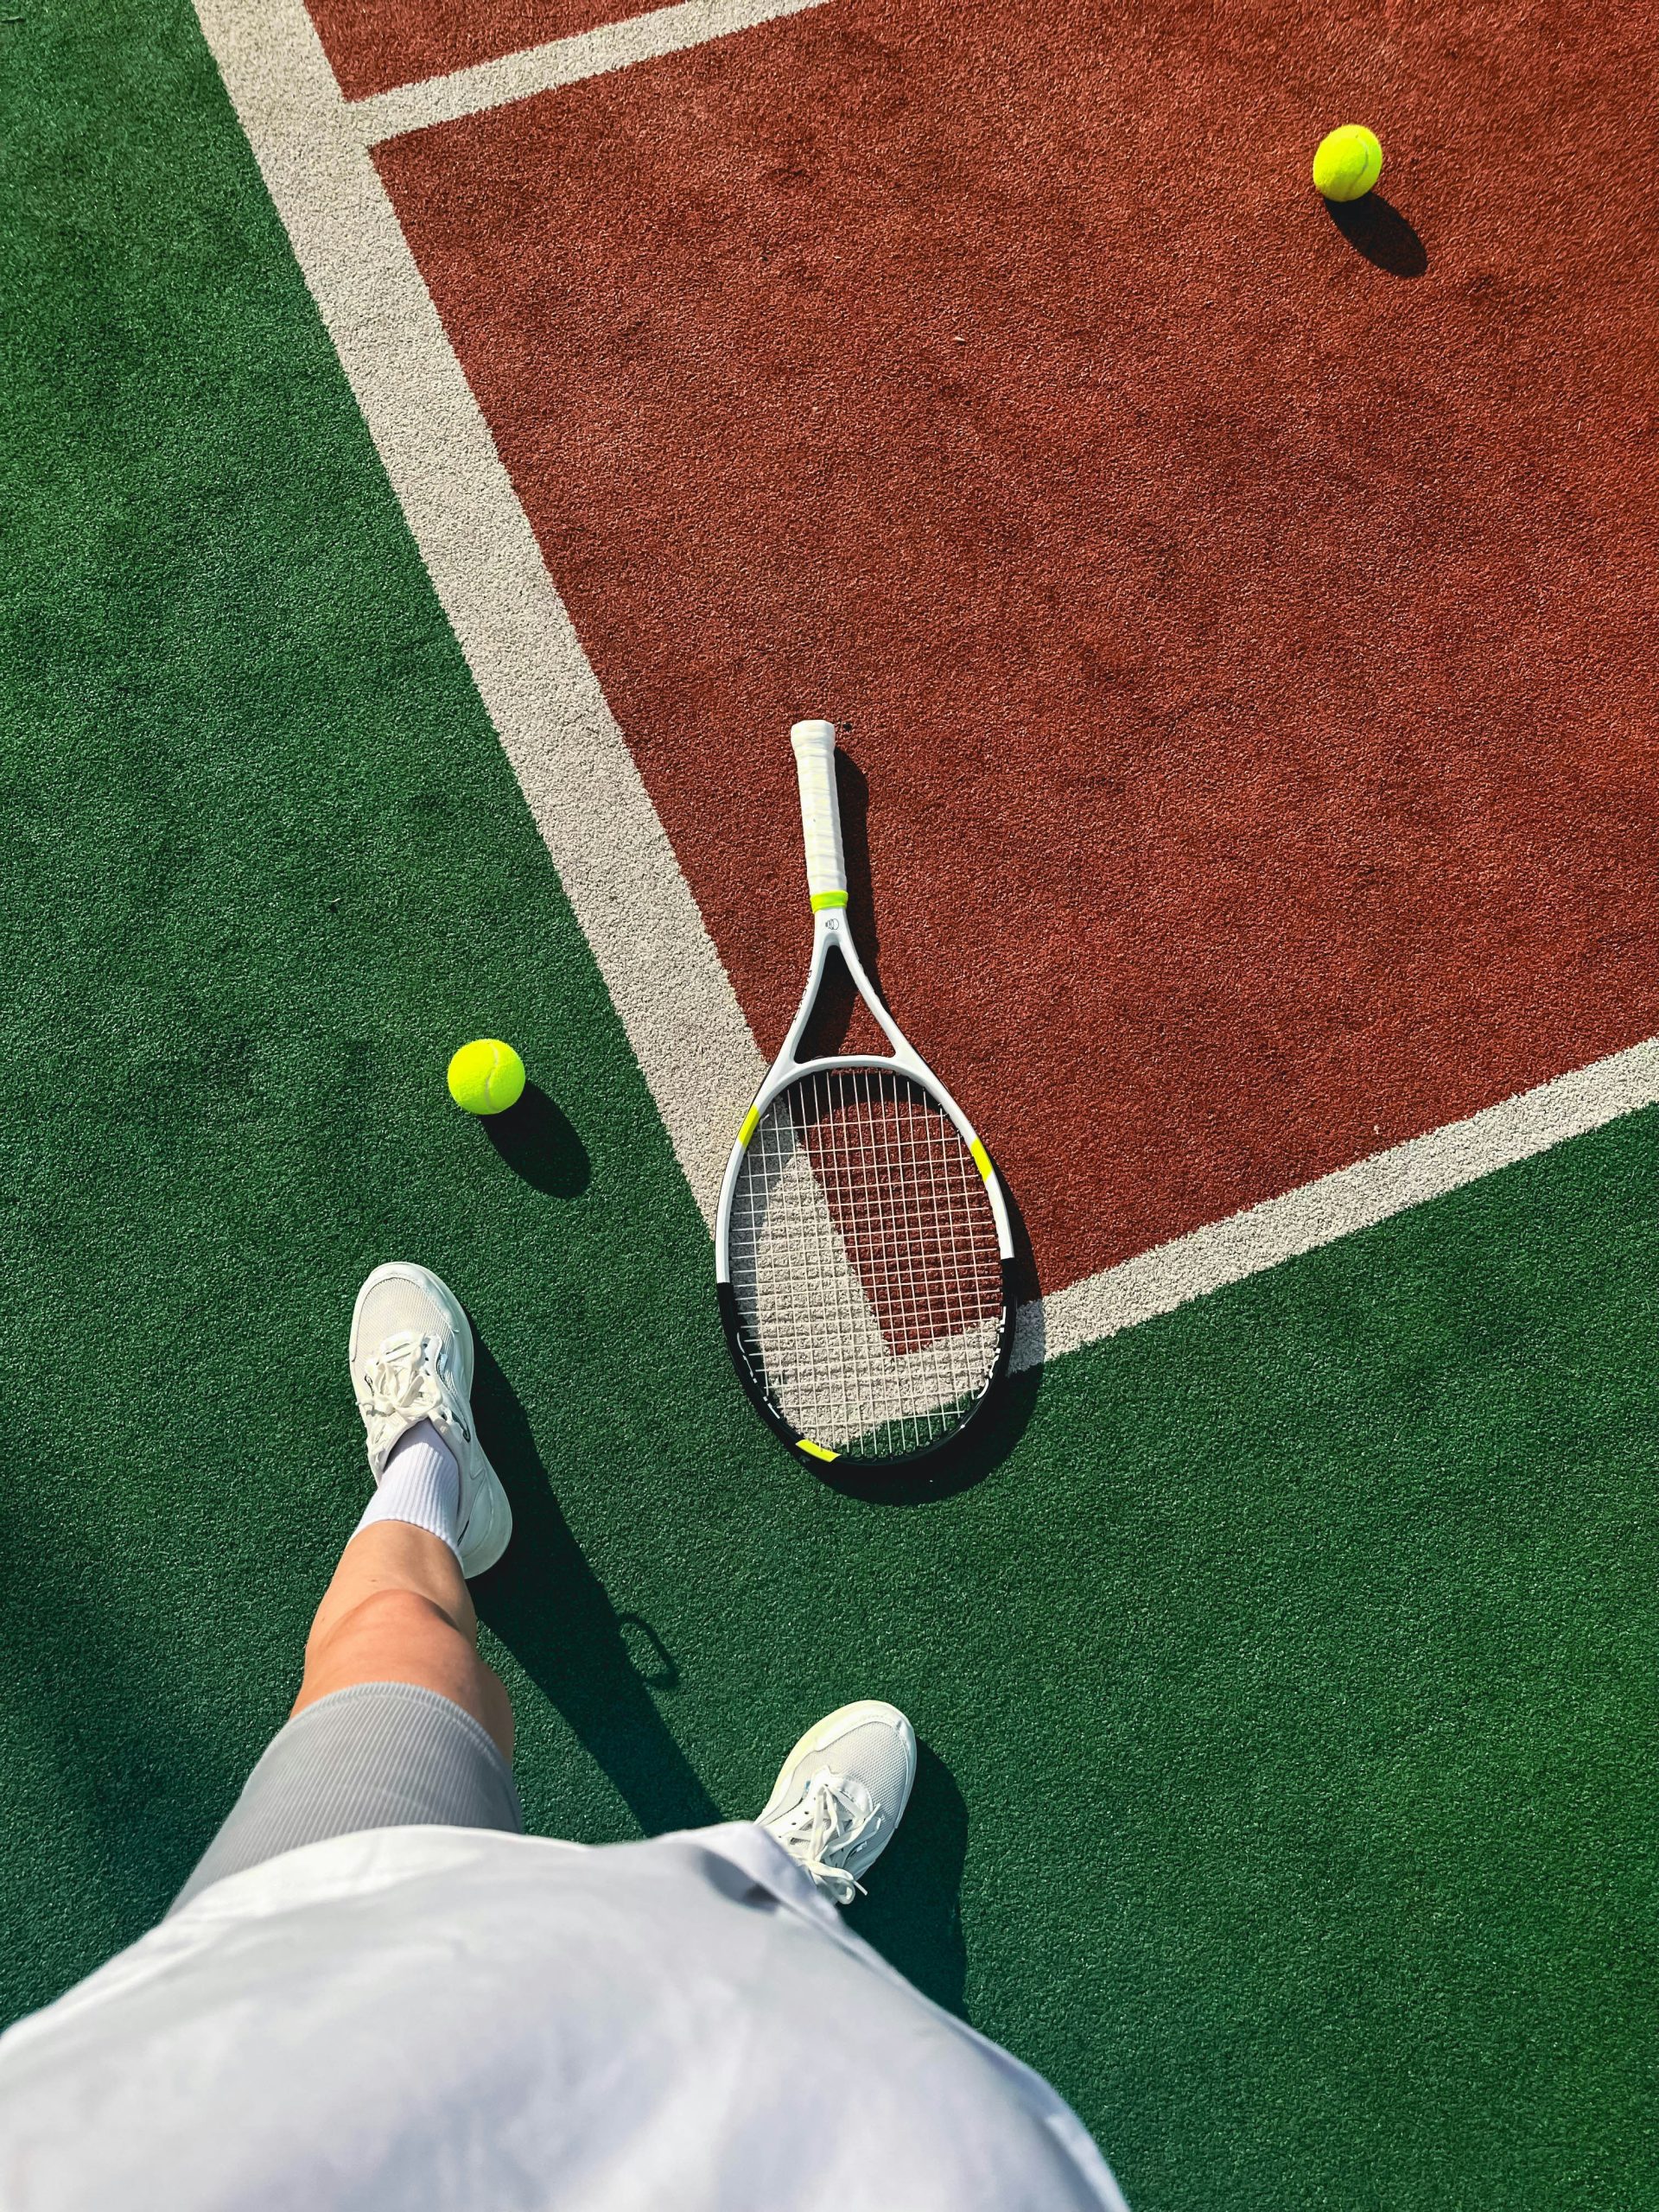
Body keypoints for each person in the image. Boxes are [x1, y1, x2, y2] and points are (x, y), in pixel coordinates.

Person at [0, 1262, 1126, 2209]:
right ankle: (774, 1890)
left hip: (221, 2091)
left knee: (399, 1642)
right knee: (750, 2031)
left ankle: (429, 1467)